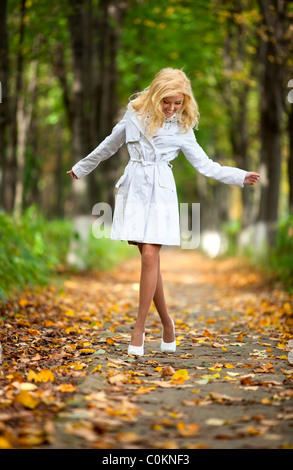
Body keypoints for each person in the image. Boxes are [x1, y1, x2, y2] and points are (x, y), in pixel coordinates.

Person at [67, 67, 260, 357]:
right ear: (156, 96)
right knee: (150, 262)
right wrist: (82, 168)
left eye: (178, 103)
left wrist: (239, 176)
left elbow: (206, 165)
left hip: (161, 192)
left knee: (149, 256)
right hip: (134, 189)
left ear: (185, 102)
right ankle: (168, 323)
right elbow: (109, 144)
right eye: (166, 102)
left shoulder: (183, 129)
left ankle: (139, 328)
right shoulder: (133, 116)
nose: (171, 108)